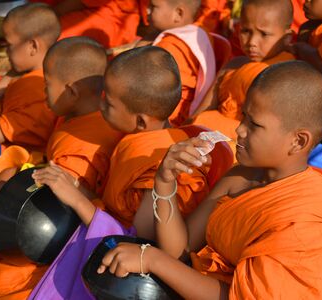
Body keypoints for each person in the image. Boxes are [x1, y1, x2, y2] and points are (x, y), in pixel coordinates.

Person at [96, 61, 322, 299]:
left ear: (298, 141)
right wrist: (165, 182)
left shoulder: (306, 225)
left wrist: (152, 260)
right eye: (243, 117)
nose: (239, 129)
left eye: (254, 124)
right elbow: (181, 248)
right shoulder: (241, 176)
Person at [28, 46, 233, 299]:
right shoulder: (168, 136)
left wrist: (78, 200)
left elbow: (139, 242)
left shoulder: (160, 164)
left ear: (140, 122)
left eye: (109, 103)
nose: (100, 103)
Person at [0, 36, 125, 300]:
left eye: (47, 86)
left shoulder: (84, 141)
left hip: (48, 241)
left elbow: (54, 206)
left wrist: (1, 186)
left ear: (71, 92)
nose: (44, 94)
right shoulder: (80, 118)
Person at [191, 0, 295, 140]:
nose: (252, 42)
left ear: (287, 38)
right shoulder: (234, 64)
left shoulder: (286, 73)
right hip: (205, 136)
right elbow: (201, 111)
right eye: (246, 31)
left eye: (264, 34)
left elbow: (268, 133)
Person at [0, 3, 59, 160]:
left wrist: (3, 84)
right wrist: (3, 84)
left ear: (33, 46)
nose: (6, 51)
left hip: (13, 159)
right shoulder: (29, 76)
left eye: (9, 45)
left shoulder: (38, 87)